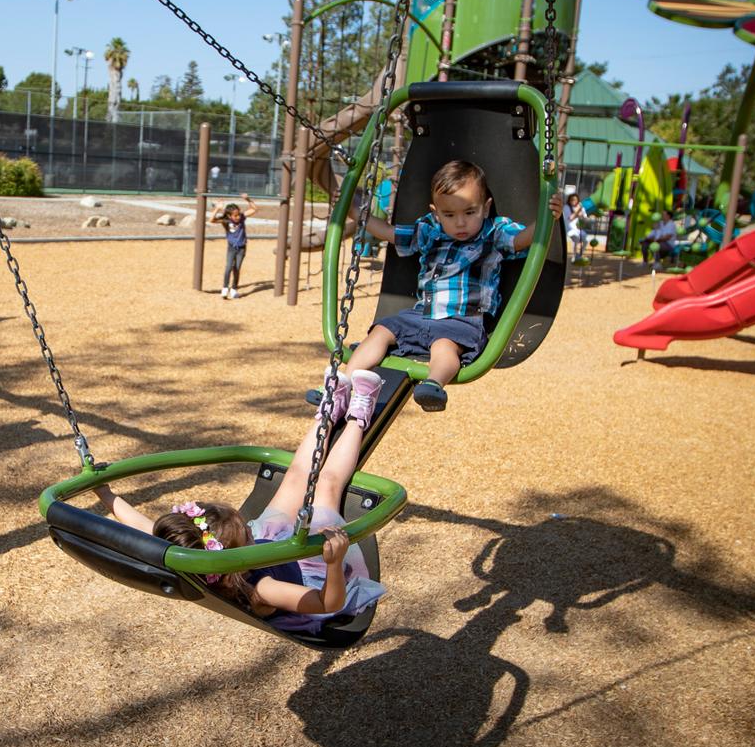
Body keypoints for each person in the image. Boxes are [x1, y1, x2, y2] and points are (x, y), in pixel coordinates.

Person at [86, 413, 386, 639]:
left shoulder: (194, 556)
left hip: (273, 544)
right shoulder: (264, 590)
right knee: (327, 487)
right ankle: (358, 418)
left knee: (294, 474)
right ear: (236, 557)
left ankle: (326, 413)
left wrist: (106, 494)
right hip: (313, 568)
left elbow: (141, 526)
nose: (248, 527)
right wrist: (334, 563)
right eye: (245, 533)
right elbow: (326, 602)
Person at [345, 159, 562, 412]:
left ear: (485, 207)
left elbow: (524, 239)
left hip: (462, 319)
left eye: (469, 212)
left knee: (444, 346)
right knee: (381, 331)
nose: (460, 223)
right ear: (436, 213)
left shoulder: (494, 234)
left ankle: (433, 385)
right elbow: (389, 232)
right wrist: (355, 213)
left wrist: (549, 218)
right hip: (420, 313)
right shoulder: (429, 231)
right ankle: (343, 383)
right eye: (449, 215)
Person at [209, 195, 258, 299]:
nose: (238, 217)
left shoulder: (242, 218)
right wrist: (217, 208)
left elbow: (254, 209)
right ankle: (225, 287)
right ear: (229, 215)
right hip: (231, 248)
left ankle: (234, 289)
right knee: (228, 267)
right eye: (235, 216)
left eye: (238, 215)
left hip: (242, 248)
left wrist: (248, 199)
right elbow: (211, 220)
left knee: (237, 268)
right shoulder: (226, 221)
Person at [564, 183, 590, 263]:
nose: (574, 201)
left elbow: (585, 219)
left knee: (585, 240)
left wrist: (582, 216)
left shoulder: (580, 208)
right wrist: (577, 212)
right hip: (570, 229)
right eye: (572, 200)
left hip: (579, 229)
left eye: (575, 200)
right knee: (576, 238)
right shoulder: (566, 207)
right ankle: (574, 256)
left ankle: (580, 254)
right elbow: (570, 218)